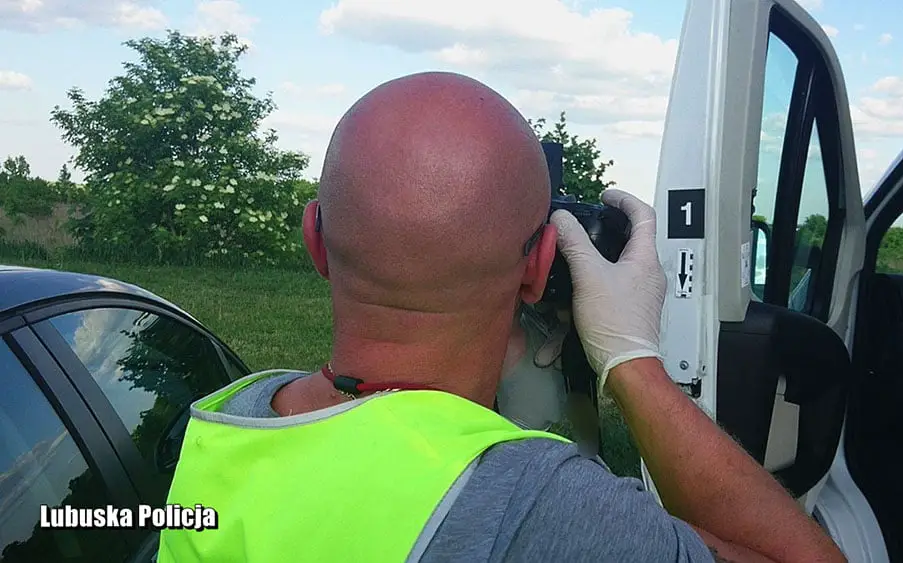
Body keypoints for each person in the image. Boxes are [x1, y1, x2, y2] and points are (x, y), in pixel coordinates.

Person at [157, 71, 846, 563]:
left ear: (315, 241)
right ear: (540, 267)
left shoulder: (222, 423)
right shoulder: (539, 504)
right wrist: (632, 361)